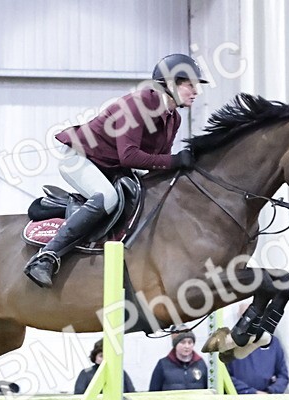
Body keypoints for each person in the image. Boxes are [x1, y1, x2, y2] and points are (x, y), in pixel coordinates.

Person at [23, 54, 209, 288]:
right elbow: (129, 156)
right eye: (190, 85)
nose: (196, 92)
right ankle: (46, 258)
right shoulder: (136, 106)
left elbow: (156, 162)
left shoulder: (173, 119)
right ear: (171, 84)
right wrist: (174, 161)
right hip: (79, 158)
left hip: (111, 166)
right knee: (107, 198)